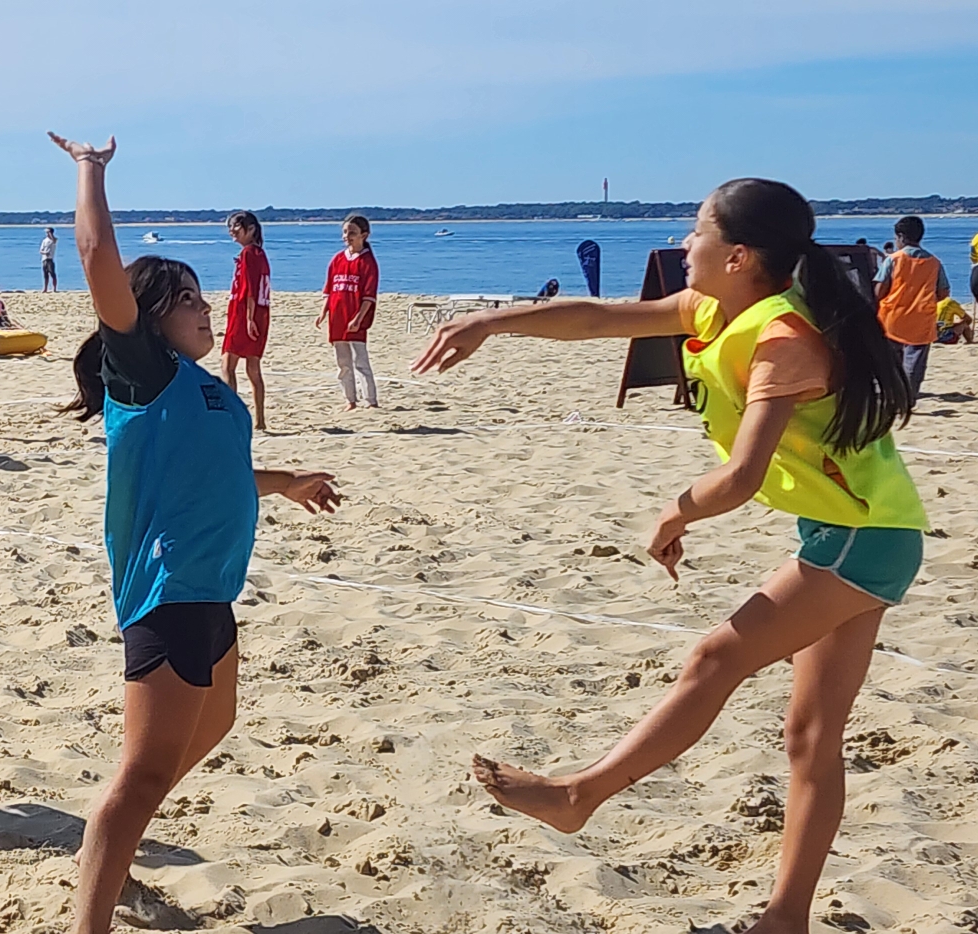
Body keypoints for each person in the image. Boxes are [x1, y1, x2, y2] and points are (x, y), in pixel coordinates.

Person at [414, 178, 925, 934]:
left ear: (738, 255)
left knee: (716, 659)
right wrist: (494, 320)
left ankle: (579, 796)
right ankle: (786, 917)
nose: (685, 243)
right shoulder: (717, 309)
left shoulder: (782, 339)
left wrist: (674, 511)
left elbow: (742, 477)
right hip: (850, 531)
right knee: (811, 739)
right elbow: (596, 318)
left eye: (697, 231)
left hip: (864, 539)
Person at [49, 132, 342, 934]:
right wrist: (90, 172)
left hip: (212, 589)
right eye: (187, 298)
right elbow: (96, 257)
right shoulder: (143, 373)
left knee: (210, 730)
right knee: (143, 775)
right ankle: (92, 910)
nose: (206, 306)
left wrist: (286, 482)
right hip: (169, 589)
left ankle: (111, 846)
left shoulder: (206, 390)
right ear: (148, 316)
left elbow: (218, 474)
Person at [874, 215, 950, 394]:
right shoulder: (934, 262)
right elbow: (943, 292)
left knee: (890, 360)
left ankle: (891, 392)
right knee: (914, 362)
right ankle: (909, 394)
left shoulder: (894, 259)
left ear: (901, 237)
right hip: (921, 318)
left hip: (892, 317)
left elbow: (879, 290)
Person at [320, 214, 379, 409]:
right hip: (337, 318)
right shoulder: (338, 259)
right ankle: (350, 400)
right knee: (343, 362)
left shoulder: (368, 261)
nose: (347, 236)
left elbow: (369, 297)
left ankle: (370, 401)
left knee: (360, 361)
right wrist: (323, 312)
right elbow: (329, 290)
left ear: (364, 235)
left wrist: (358, 318)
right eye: (345, 232)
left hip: (355, 319)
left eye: (352, 232)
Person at [220, 211, 271, 430]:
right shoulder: (258, 253)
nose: (232, 231)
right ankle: (259, 420)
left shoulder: (250, 253)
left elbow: (250, 289)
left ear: (250, 229)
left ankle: (233, 416)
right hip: (256, 313)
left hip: (245, 315)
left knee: (228, 365)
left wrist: (249, 318)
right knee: (252, 367)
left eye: (236, 226)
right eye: (230, 227)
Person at [40, 226, 59, 292]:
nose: (47, 233)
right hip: (44, 259)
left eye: (48, 232)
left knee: (52, 274)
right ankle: (45, 288)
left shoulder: (53, 240)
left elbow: (54, 240)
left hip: (50, 259)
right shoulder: (44, 240)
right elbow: (41, 250)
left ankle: (54, 288)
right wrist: (45, 252)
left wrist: (51, 234)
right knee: (45, 274)